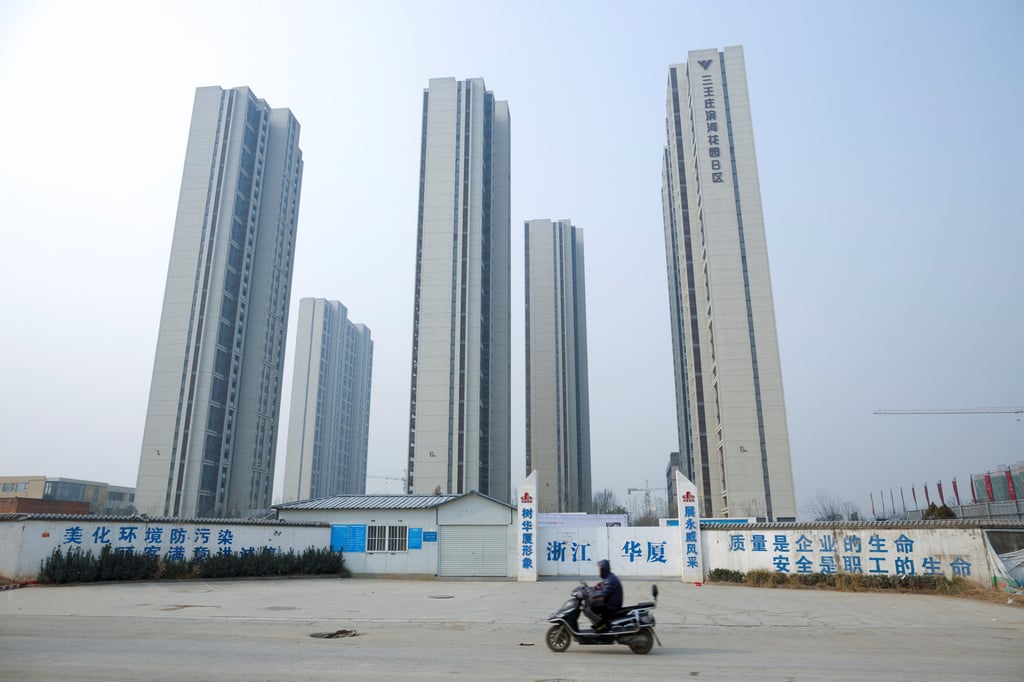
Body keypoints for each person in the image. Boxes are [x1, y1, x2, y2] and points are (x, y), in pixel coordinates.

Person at [584, 559, 623, 632]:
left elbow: (603, 595)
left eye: (600, 569)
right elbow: (603, 588)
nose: (599, 571)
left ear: (603, 569)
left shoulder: (609, 580)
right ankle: (599, 624)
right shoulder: (609, 577)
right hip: (611, 603)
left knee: (589, 609)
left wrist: (591, 594)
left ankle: (602, 626)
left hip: (611, 606)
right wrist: (594, 588)